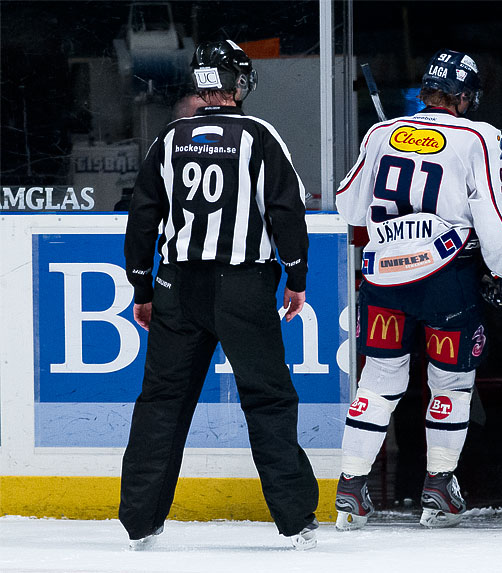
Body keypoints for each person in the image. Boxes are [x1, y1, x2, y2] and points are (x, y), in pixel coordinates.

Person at [120, 39, 319, 550]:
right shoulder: (260, 135)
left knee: (161, 402)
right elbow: (286, 211)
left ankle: (140, 521)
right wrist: (296, 277)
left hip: (177, 285)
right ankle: (296, 518)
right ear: (238, 83)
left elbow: (143, 217)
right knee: (268, 399)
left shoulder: (169, 137)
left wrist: (142, 286)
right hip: (243, 288)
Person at [334, 48, 502, 530]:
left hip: (385, 279)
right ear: (463, 96)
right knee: (452, 383)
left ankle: (351, 489)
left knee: (379, 378)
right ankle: (439, 487)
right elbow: (496, 215)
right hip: (447, 279)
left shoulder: (381, 132)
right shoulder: (482, 136)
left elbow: (348, 208)